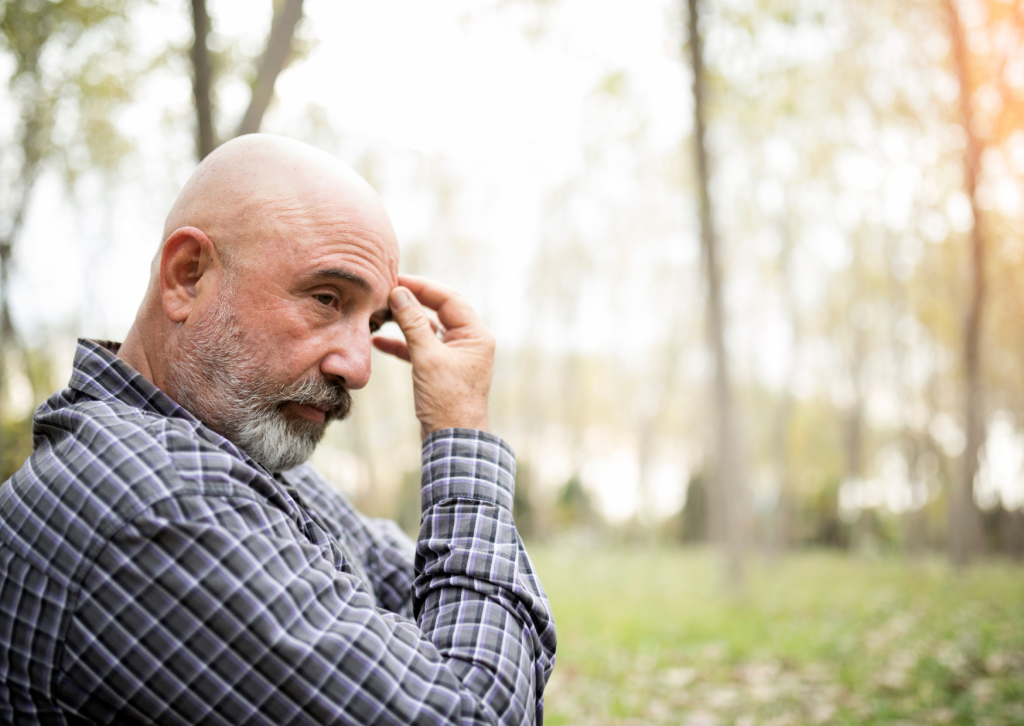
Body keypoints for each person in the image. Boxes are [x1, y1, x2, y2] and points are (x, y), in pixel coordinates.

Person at [0, 135, 556, 725]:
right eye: (325, 298)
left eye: (371, 322)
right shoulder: (155, 502)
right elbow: (482, 708)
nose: (360, 367)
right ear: (187, 276)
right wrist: (462, 430)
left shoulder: (235, 456)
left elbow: (470, 624)